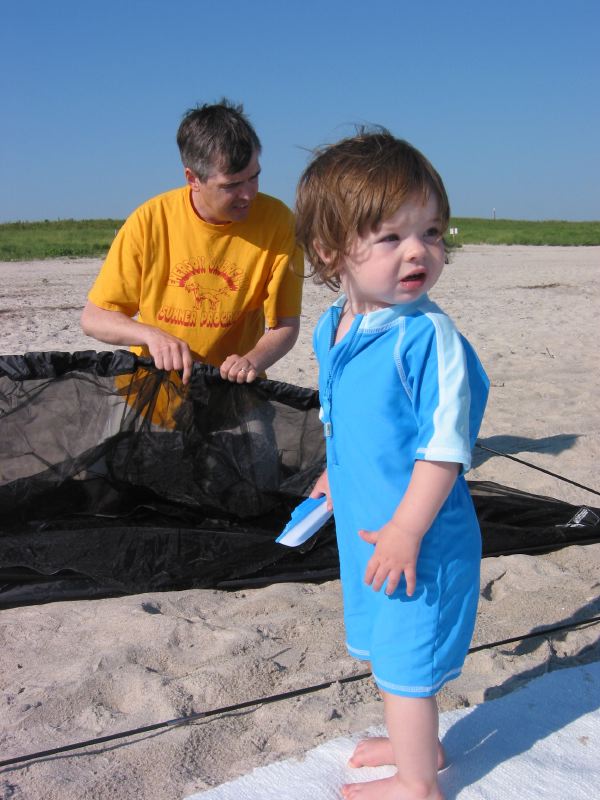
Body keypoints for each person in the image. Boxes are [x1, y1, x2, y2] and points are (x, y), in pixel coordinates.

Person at [295, 130, 489, 800]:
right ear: (331, 252)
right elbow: (337, 412)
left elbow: (445, 448)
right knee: (386, 652)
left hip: (423, 540)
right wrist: (331, 471)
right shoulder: (333, 326)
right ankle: (422, 744)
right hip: (368, 532)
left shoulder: (427, 337)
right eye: (390, 237)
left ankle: (417, 781)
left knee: (408, 660)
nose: (419, 251)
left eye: (432, 232)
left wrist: (409, 527)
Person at [81, 100, 303, 385]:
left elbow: (285, 326)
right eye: (232, 185)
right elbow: (94, 317)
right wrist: (151, 335)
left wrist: (252, 360)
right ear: (193, 178)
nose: (249, 194)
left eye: (254, 177)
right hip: (154, 390)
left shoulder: (279, 223)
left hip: (234, 392)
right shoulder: (150, 220)